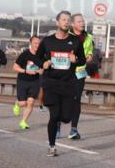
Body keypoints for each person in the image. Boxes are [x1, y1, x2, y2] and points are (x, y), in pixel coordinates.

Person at [34, 11, 86, 156]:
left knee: (66, 117)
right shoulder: (48, 41)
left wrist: (76, 60)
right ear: (57, 22)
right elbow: (36, 58)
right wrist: (44, 63)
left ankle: (61, 122)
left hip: (68, 84)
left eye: (68, 20)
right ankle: (52, 146)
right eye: (63, 20)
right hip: (51, 83)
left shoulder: (76, 41)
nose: (66, 22)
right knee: (54, 115)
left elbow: (82, 60)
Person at [67, 13, 95, 140]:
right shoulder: (67, 36)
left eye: (83, 21)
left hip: (80, 71)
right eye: (79, 21)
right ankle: (56, 125)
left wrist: (89, 56)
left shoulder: (88, 37)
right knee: (63, 99)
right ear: (72, 24)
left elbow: (89, 51)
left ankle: (74, 129)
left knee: (76, 99)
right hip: (66, 71)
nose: (82, 23)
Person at [12, 36, 42, 130]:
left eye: (39, 43)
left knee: (31, 102)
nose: (37, 45)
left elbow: (43, 66)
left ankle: (23, 121)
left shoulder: (42, 55)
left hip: (35, 81)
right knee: (22, 103)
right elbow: (14, 68)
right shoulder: (25, 54)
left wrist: (42, 70)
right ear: (31, 43)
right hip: (23, 80)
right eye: (35, 43)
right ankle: (17, 104)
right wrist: (26, 71)